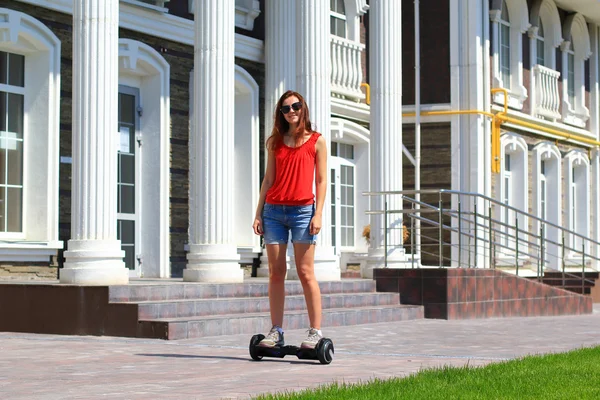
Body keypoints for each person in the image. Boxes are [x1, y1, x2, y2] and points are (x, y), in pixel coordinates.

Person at [252, 90, 327, 349]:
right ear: (281, 114)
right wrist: (258, 212)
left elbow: (320, 180)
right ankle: (276, 331)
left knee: (306, 272)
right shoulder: (275, 142)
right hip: (273, 212)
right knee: (276, 273)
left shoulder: (317, 141)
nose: (291, 111)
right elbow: (268, 179)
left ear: (302, 108)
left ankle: (315, 332)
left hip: (303, 212)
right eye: (286, 108)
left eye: (295, 106)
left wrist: (318, 214)